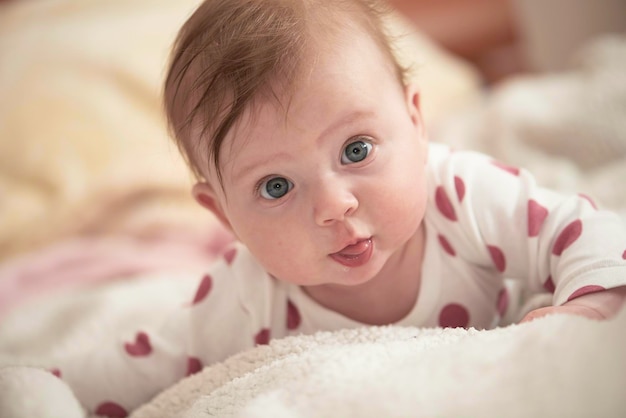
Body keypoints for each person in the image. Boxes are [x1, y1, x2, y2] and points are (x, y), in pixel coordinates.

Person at [14, 0, 626, 416]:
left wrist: (589, 305)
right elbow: (124, 376)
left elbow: (587, 232)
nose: (334, 204)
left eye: (356, 149)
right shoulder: (243, 298)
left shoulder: (462, 195)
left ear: (415, 123)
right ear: (224, 216)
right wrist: (37, 389)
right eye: (275, 187)